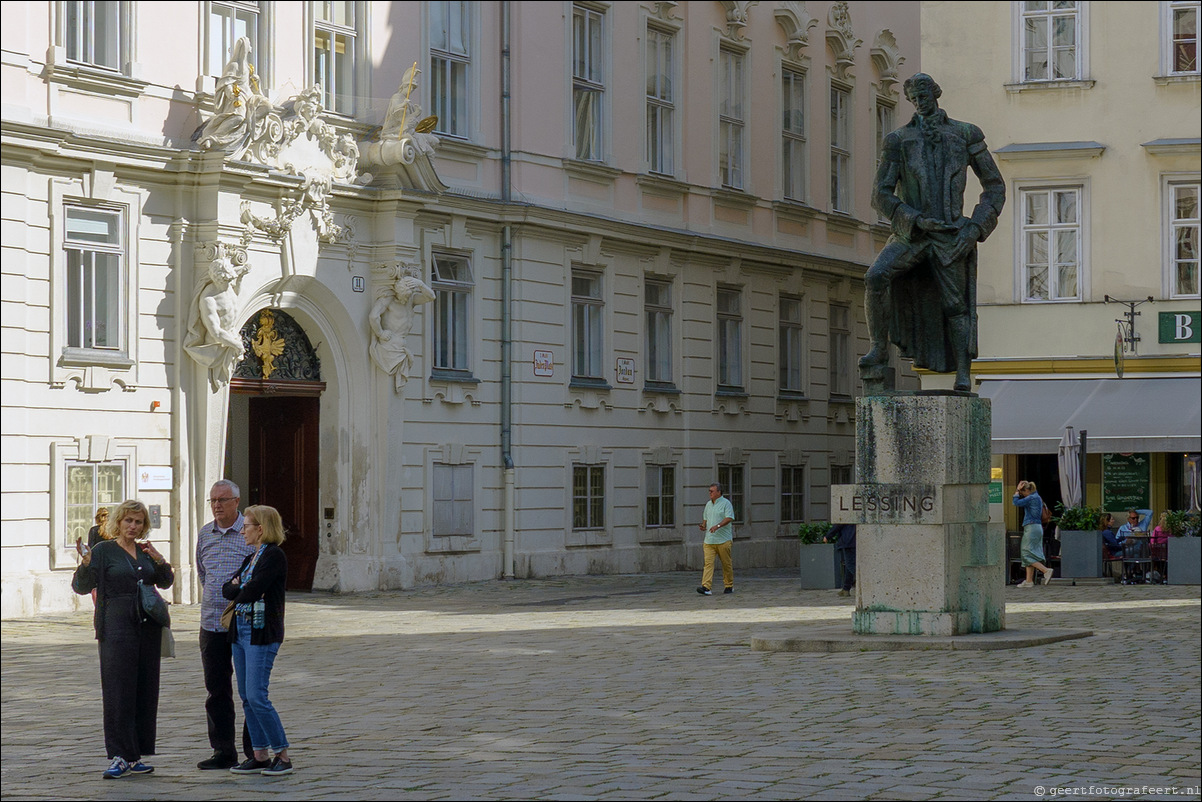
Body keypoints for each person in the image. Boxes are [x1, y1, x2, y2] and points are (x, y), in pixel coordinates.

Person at [858, 73, 1006, 393]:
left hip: (952, 234)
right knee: (875, 276)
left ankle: (963, 373)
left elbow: (994, 187)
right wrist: (913, 220)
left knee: (956, 306)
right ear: (910, 101)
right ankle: (878, 349)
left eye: (924, 93)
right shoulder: (898, 140)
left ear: (936, 92)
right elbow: (880, 195)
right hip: (912, 233)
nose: (920, 100)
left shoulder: (965, 134)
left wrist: (976, 226)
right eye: (914, 97)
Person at [71, 499, 174, 779]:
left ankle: (135, 755)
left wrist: (160, 560)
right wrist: (86, 564)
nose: (133, 526)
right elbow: (80, 587)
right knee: (118, 691)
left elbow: (165, 582)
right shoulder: (104, 551)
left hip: (147, 628)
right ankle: (118, 754)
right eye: (128, 520)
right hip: (115, 628)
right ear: (118, 522)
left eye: (138, 522)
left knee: (144, 690)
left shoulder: (144, 551)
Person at [224, 505, 293, 776]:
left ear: (261, 529)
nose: (242, 531)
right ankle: (259, 753)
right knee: (246, 697)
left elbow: (250, 590)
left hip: (261, 632)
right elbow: (226, 588)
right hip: (240, 630)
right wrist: (239, 586)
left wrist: (239, 586)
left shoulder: (273, 556)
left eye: (247, 526)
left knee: (257, 695)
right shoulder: (250, 558)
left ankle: (283, 754)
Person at [196, 480, 256, 771]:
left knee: (249, 690)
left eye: (223, 499)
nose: (217, 505)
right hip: (210, 623)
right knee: (216, 690)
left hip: (242, 622)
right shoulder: (205, 533)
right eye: (213, 500)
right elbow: (203, 574)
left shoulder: (250, 530)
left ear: (237, 501)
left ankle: (253, 751)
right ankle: (223, 750)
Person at [1012, 481, 1054, 587]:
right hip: (1036, 527)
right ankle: (1029, 580)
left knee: (1026, 553)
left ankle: (1045, 570)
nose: (1022, 495)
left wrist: (1017, 490)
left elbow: (1016, 502)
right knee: (1030, 553)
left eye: (1022, 493)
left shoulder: (1031, 498)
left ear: (1027, 490)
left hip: (1031, 527)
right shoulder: (1037, 497)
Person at [696, 483, 735, 596]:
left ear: (719, 492)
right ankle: (706, 587)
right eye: (709, 491)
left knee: (726, 564)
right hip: (709, 540)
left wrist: (717, 526)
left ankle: (729, 585)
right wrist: (703, 526)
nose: (710, 493)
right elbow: (705, 518)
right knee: (708, 564)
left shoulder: (726, 503)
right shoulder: (708, 504)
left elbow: (729, 518)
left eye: (712, 491)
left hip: (723, 540)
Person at [825, 523, 857, 597]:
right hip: (856, 540)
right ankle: (846, 588)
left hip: (849, 541)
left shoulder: (846, 513)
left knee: (850, 565)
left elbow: (838, 525)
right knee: (851, 565)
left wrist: (828, 536)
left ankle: (846, 589)